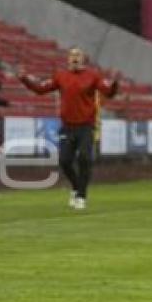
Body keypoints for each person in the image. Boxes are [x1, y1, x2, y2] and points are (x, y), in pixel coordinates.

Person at [18, 48, 118, 209]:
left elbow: (108, 91)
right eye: (72, 55)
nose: (75, 58)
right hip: (67, 126)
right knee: (64, 161)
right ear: (68, 59)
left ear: (84, 59)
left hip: (86, 125)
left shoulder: (93, 76)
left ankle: (81, 196)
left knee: (84, 158)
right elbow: (41, 89)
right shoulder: (61, 76)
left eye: (78, 55)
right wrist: (25, 79)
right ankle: (76, 186)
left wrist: (114, 85)